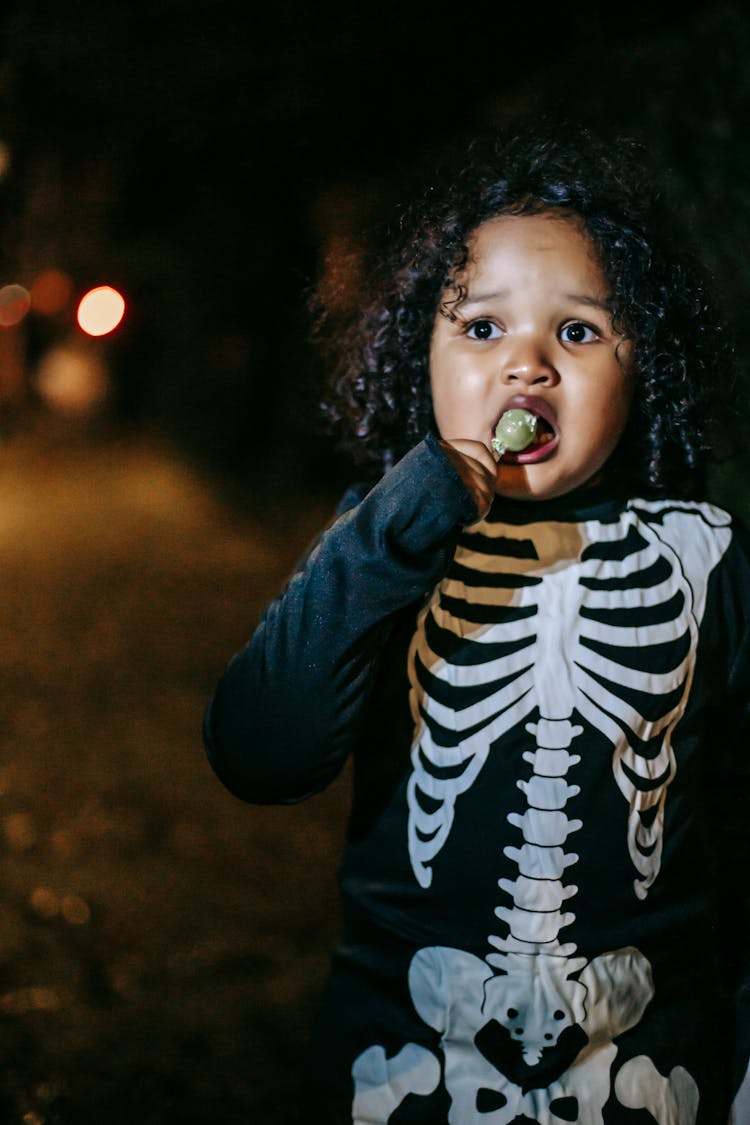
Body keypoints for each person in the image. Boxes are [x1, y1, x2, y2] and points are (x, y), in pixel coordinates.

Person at [204, 126, 750, 1123]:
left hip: (655, 1076)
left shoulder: (710, 557)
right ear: (421, 357)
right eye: (482, 329)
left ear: (646, 370)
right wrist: (395, 522)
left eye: (578, 333)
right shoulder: (382, 545)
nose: (527, 367)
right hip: (404, 1074)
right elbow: (258, 752)